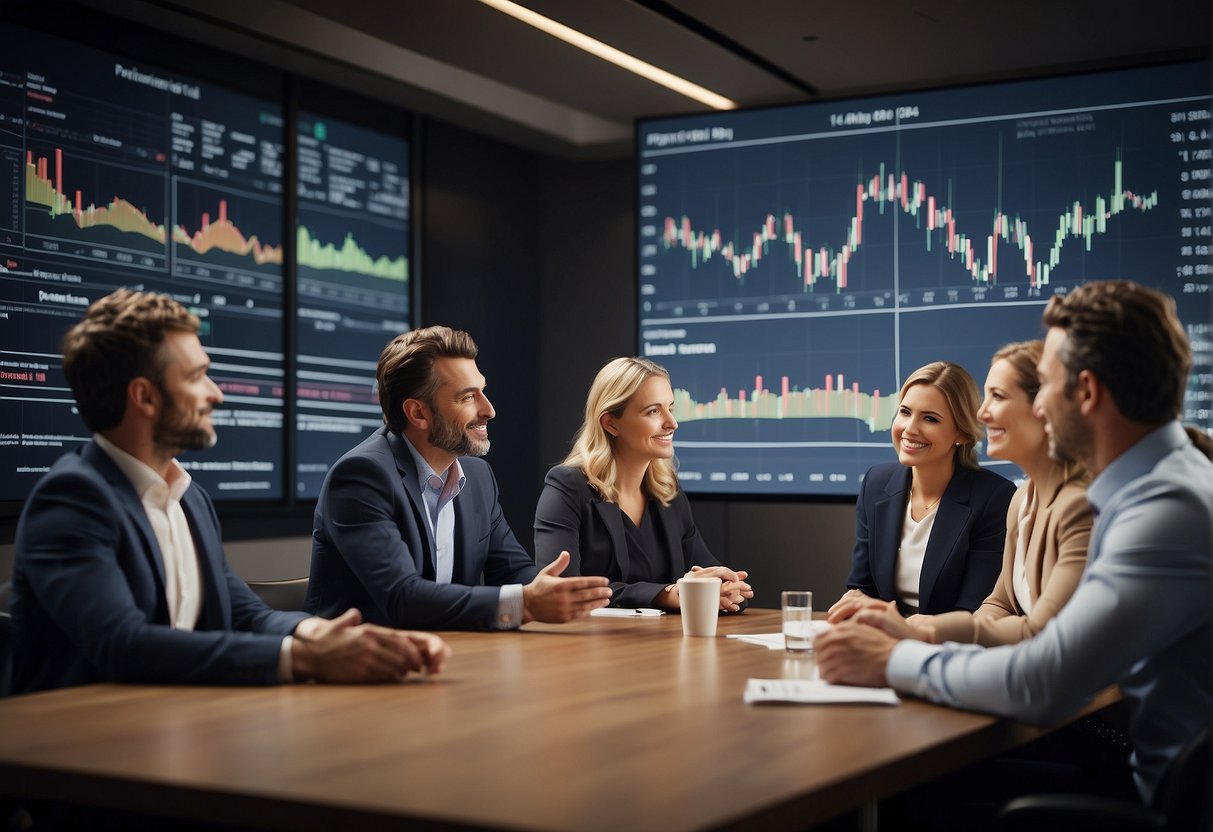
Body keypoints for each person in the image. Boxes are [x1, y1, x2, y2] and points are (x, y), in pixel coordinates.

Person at [816, 280, 1213, 807]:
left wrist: (891, 661)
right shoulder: (1157, 485)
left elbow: (1045, 681)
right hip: (1160, 780)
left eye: (1043, 385)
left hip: (1166, 803)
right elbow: (1022, 626)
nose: (1037, 407)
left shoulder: (1165, 510)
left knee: (924, 796)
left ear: (1087, 392)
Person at [11, 289, 450, 695]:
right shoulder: (73, 498)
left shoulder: (188, 497)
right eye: (198, 376)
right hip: (78, 757)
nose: (216, 394)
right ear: (144, 396)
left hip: (174, 729)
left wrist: (320, 634)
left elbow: (244, 613)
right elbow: (123, 644)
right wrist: (301, 658)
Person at [306, 326, 611, 630]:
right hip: (354, 666)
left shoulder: (478, 476)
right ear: (418, 413)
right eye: (467, 397)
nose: (489, 410)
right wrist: (527, 603)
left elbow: (511, 572)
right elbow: (402, 597)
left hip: (448, 655)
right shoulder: (361, 477)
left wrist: (550, 589)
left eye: (483, 391)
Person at [831, 341, 1094, 646]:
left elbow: (1043, 635)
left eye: (997, 396)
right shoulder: (1023, 500)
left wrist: (918, 634)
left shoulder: (1072, 506)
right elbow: (999, 605)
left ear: (1043, 409)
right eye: (904, 412)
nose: (982, 413)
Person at [533, 357, 753, 611]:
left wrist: (728, 588)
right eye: (654, 411)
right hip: (590, 647)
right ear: (610, 423)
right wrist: (666, 594)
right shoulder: (568, 487)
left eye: (671, 407)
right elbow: (561, 590)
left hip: (663, 647)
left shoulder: (668, 494)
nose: (672, 423)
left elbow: (713, 578)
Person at [829, 362, 1016, 617]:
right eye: (905, 412)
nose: (909, 429)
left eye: (930, 418)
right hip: (884, 641)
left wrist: (899, 627)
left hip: (949, 648)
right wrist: (853, 602)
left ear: (962, 433)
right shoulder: (876, 483)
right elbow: (863, 589)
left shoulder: (994, 497)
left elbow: (974, 609)